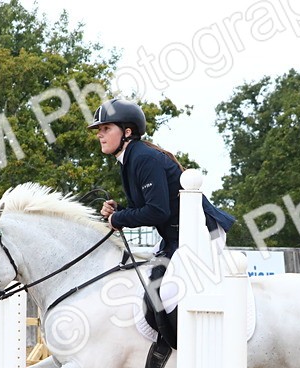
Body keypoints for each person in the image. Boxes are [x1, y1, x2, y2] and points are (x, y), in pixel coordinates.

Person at [90, 98, 235, 343]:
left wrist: (119, 218)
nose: (100, 135)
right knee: (151, 288)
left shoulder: (143, 158)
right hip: (176, 237)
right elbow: (147, 207)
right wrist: (119, 210)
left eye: (106, 129)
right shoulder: (130, 158)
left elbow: (157, 212)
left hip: (202, 234)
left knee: (165, 293)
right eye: (99, 130)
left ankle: (198, 346)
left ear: (127, 132)